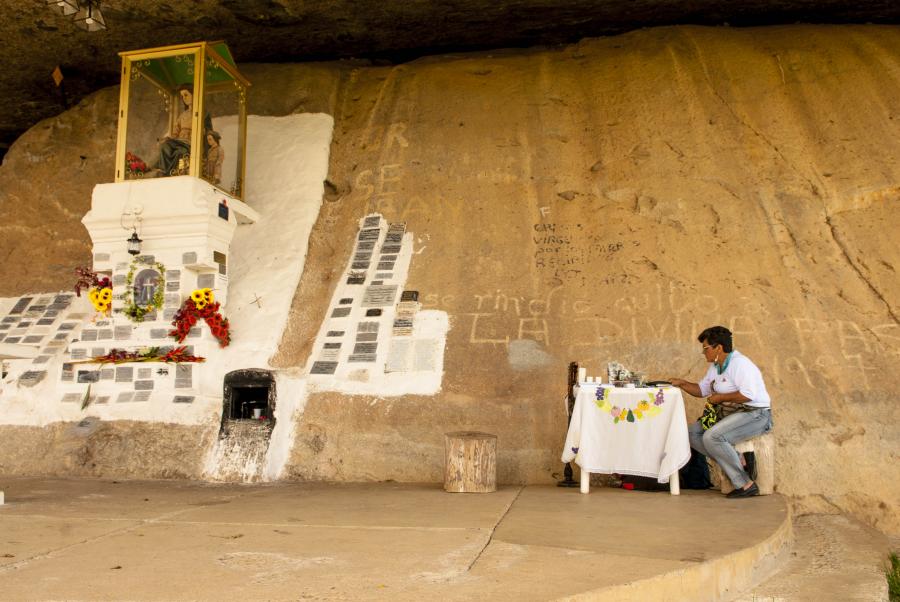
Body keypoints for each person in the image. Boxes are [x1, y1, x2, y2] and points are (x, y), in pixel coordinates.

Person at [671, 325, 772, 498]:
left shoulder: (740, 364)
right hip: (732, 414)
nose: (704, 353)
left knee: (712, 437)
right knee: (690, 433)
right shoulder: (716, 367)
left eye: (706, 348)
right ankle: (736, 457)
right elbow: (702, 390)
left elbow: (748, 395)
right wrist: (682, 383)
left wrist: (721, 398)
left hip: (756, 414)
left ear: (718, 347)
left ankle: (745, 484)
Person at [157, 85, 194, 176]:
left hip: (189, 144)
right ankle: (164, 171)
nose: (184, 98)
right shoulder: (183, 115)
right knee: (164, 145)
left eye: (186, 95)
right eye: (182, 96)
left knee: (180, 152)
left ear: (194, 95)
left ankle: (172, 174)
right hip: (178, 141)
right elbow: (175, 132)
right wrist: (168, 139)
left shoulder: (200, 114)